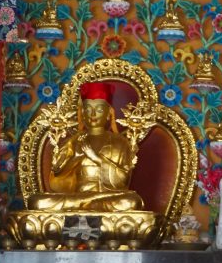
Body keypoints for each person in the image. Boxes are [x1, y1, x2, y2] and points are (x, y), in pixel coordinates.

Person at [28, 82, 144, 213]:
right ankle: (87, 205)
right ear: (82, 113)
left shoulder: (120, 143)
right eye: (88, 109)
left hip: (106, 198)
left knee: (131, 201)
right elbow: (56, 183)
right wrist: (75, 158)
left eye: (99, 110)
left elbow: (122, 182)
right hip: (77, 197)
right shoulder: (73, 142)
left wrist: (95, 158)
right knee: (36, 201)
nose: (93, 114)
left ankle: (87, 206)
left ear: (108, 113)